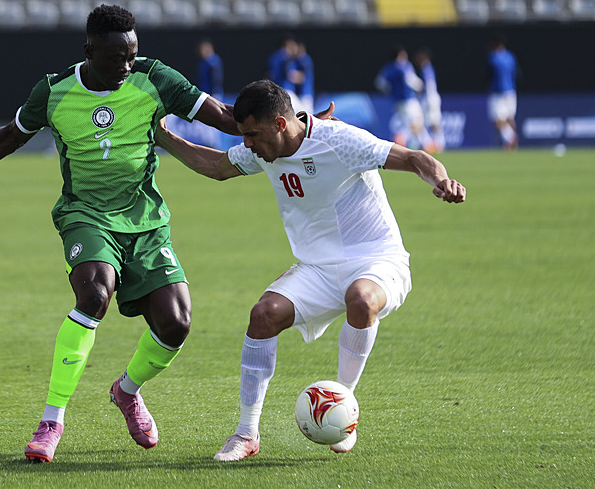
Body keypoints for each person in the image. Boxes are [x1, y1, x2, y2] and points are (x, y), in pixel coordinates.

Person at [0, 4, 239, 463]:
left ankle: (127, 390)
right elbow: (6, 138)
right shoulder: (55, 91)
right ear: (89, 50)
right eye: (116, 56)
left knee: (175, 324)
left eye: (132, 55)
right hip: (86, 215)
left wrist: (293, 126)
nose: (126, 66)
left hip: (145, 221)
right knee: (94, 293)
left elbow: (223, 116)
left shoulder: (155, 77)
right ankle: (52, 420)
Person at [154, 80, 466, 461]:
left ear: (280, 125)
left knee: (361, 298)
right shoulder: (265, 151)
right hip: (317, 268)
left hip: (377, 259)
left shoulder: (341, 141)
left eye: (252, 134)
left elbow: (415, 157)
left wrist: (441, 181)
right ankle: (246, 433)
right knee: (263, 315)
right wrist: (163, 136)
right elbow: (215, 167)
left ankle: (343, 410)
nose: (246, 143)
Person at [374, 45, 434, 152]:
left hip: (397, 101)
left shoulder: (388, 68)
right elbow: (410, 79)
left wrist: (390, 90)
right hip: (408, 99)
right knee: (417, 121)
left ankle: (415, 142)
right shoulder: (404, 66)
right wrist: (419, 86)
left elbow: (380, 83)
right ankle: (411, 141)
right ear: (400, 55)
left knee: (408, 122)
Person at [487, 34, 519, 150]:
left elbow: (489, 75)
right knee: (510, 118)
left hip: (498, 92)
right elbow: (515, 73)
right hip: (511, 90)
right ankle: (512, 144)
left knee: (498, 120)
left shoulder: (493, 58)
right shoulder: (510, 57)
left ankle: (511, 139)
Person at [413, 47, 444, 152]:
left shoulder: (425, 68)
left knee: (421, 121)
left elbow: (427, 85)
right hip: (433, 97)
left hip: (429, 98)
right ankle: (438, 143)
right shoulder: (429, 68)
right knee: (434, 122)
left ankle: (430, 143)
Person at [266, 34, 307, 113]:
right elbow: (289, 74)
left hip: (275, 91)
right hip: (286, 91)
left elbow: (268, 74)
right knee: (303, 113)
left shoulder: (273, 56)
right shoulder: (285, 57)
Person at [288, 42, 314, 114]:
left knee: (308, 116)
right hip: (298, 94)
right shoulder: (295, 61)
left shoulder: (305, 60)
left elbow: (301, 77)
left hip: (306, 94)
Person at [196, 38, 223, 103]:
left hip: (213, 93)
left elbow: (216, 78)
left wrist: (215, 92)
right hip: (203, 92)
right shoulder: (203, 62)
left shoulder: (214, 61)